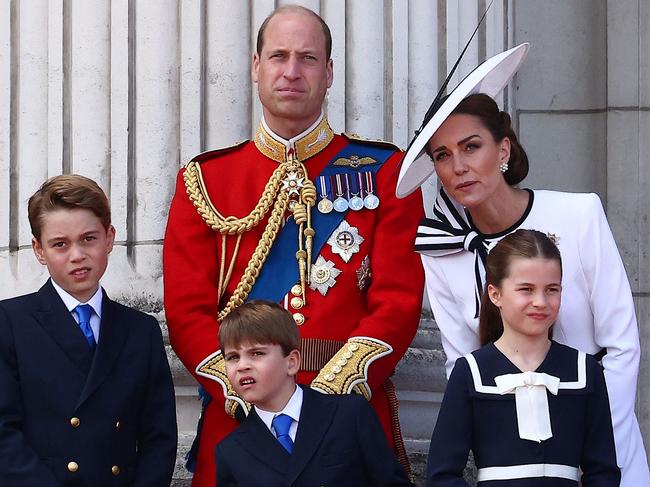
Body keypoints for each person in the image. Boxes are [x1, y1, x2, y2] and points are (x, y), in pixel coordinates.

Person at [163, 5, 424, 486]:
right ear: (255, 66)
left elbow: (398, 301)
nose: (291, 71)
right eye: (278, 56)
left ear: (328, 73)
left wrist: (326, 397)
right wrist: (247, 389)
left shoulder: (385, 171)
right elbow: (185, 312)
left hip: (346, 413)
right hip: (241, 412)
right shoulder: (206, 179)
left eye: (307, 58)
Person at [397, 45, 649, 485]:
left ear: (504, 149)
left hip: (603, 456)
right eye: (441, 155)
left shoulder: (579, 215)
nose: (458, 167)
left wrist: (591, 447)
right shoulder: (440, 249)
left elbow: (621, 346)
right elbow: (463, 366)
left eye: (471, 146)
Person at [0, 174, 177, 486]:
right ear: (39, 250)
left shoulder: (141, 331)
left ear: (109, 238)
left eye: (88, 238)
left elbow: (158, 439)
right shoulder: (10, 322)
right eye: (60, 244)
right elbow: (4, 434)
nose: (77, 255)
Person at [426, 229, 620, 486]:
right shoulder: (471, 372)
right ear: (496, 294)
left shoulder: (585, 371)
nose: (540, 301)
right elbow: (442, 475)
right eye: (526, 289)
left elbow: (603, 472)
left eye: (552, 289)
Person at [215, 300, 413, 487]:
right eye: (232, 357)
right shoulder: (231, 451)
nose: (242, 366)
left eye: (256, 353)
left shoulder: (349, 414)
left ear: (292, 362)